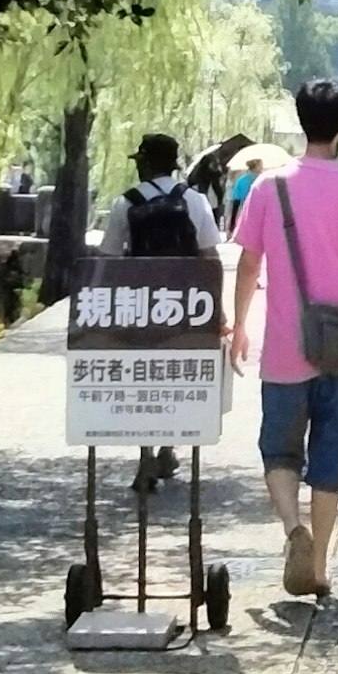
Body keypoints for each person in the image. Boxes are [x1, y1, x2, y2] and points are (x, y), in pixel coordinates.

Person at [227, 83, 338, 599]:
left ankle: (293, 528)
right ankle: (317, 568)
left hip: (286, 349)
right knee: (330, 463)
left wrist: (239, 323)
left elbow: (250, 264)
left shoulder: (269, 188)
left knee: (279, 451)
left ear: (301, 122)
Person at [98, 132, 217, 492]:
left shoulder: (125, 203)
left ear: (147, 164)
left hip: (141, 306)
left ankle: (146, 456)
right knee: (176, 378)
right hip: (185, 306)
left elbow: (108, 259)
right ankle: (168, 448)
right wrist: (215, 310)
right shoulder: (194, 201)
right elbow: (210, 257)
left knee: (144, 380)